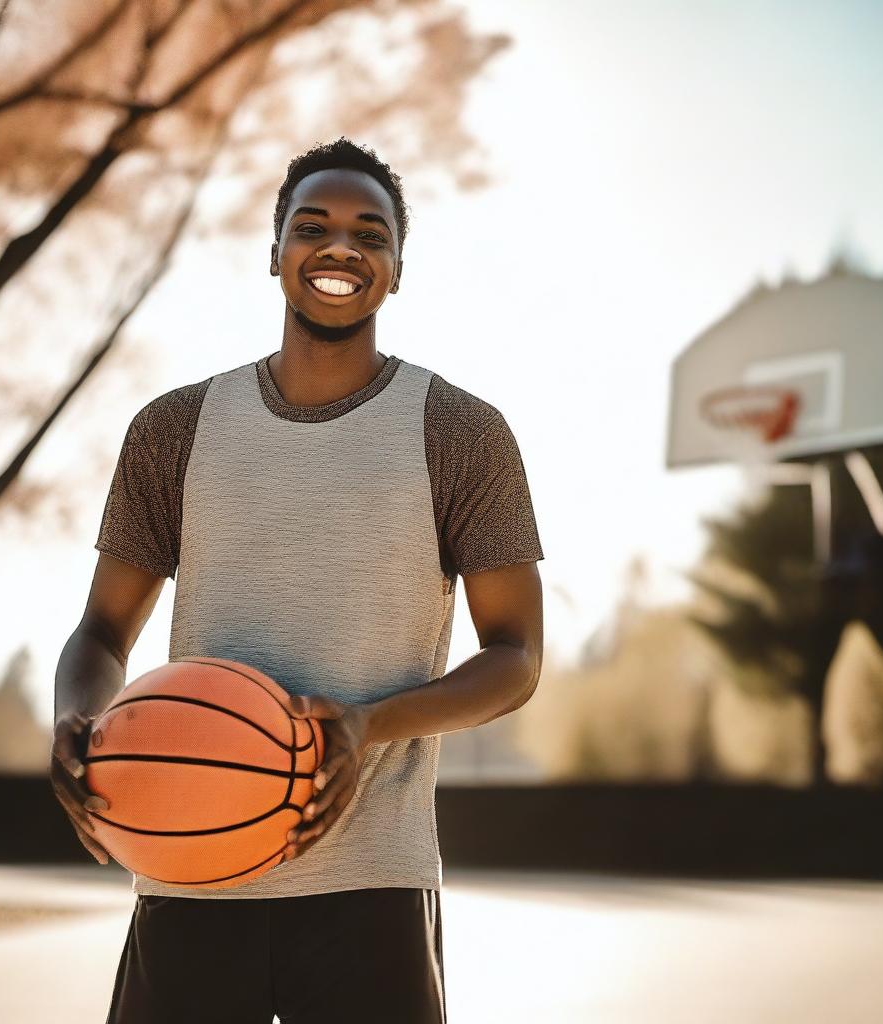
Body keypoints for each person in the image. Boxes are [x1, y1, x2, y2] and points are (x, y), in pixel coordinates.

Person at [49, 136, 544, 1024]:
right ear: (275, 254)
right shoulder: (174, 429)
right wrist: (75, 723)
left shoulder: (461, 433)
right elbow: (99, 634)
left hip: (373, 884)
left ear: (396, 269)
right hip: (188, 871)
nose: (341, 247)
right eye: (311, 226)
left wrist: (370, 725)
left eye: (372, 233)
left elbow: (516, 658)